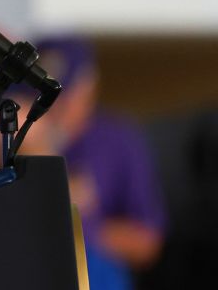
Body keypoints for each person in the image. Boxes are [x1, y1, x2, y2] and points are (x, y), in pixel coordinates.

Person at [31, 35, 166, 289]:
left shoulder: (118, 138)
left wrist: (80, 232)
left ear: (88, 87)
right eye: (42, 94)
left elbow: (147, 240)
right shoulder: (13, 137)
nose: (55, 107)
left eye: (64, 94)